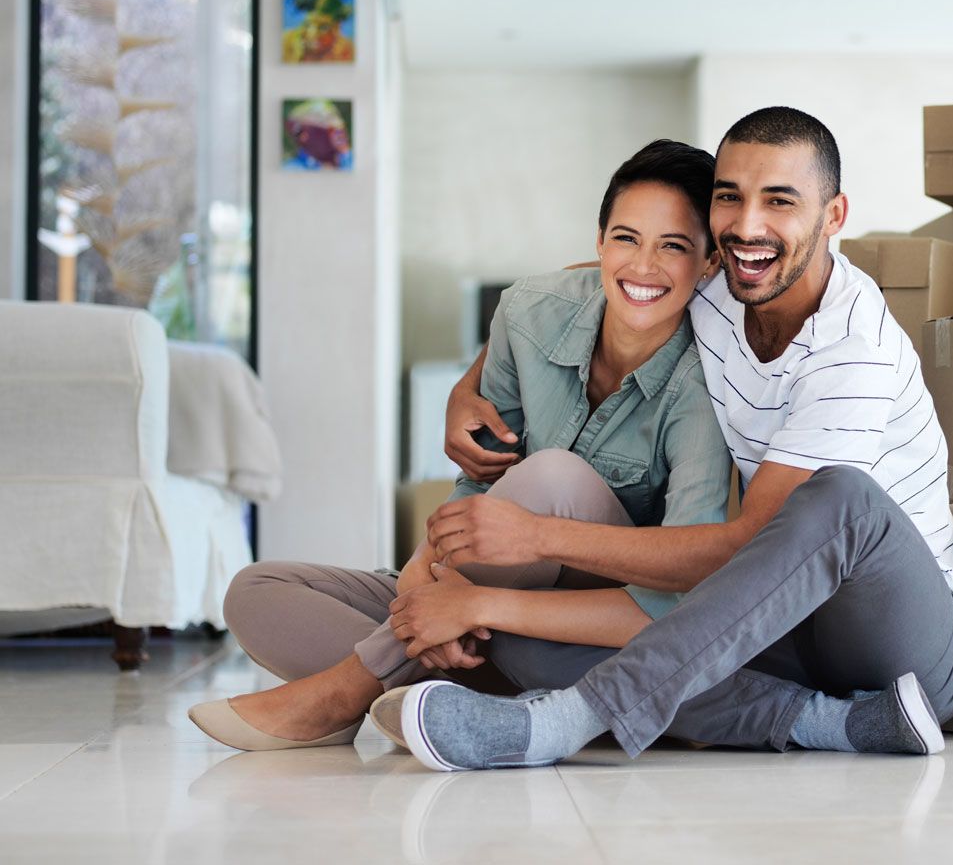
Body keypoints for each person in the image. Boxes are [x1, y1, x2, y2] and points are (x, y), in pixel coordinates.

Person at [400, 106, 953, 771]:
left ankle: (568, 721)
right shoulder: (721, 283)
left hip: (904, 644)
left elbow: (749, 542)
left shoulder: (854, 350)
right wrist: (468, 383)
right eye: (729, 199)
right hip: (794, 627)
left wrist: (532, 542)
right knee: (530, 638)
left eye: (779, 201)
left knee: (838, 497)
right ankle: (834, 722)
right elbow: (611, 272)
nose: (747, 225)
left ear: (833, 216)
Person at [188, 140, 731, 751]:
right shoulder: (528, 312)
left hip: (591, 621)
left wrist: (479, 606)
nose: (644, 266)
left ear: (709, 264)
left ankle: (351, 687)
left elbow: (680, 594)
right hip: (497, 603)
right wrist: (426, 585)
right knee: (256, 592)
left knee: (554, 478)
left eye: (675, 247)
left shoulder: (710, 376)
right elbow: (480, 481)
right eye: (627, 238)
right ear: (599, 242)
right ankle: (456, 690)